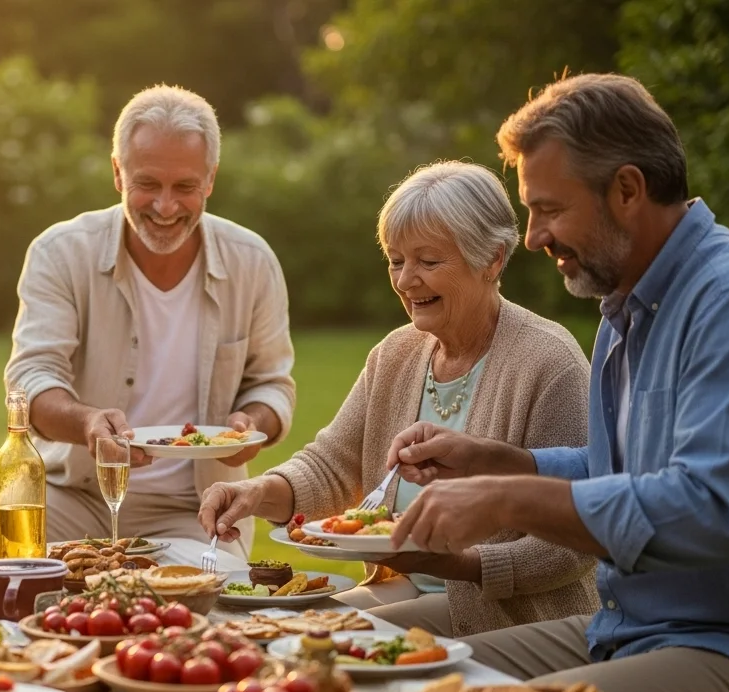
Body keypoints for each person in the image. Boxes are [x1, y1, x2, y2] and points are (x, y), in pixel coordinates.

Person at [386, 74, 729, 692]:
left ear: (627, 190)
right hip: (629, 626)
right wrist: (504, 462)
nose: (530, 238)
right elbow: (626, 474)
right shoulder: (626, 306)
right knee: (399, 684)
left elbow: (707, 510)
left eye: (548, 209)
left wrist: (506, 498)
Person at [197, 161, 597, 636]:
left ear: (492, 259)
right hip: (404, 588)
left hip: (508, 616)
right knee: (257, 628)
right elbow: (332, 464)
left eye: (428, 262)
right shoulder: (396, 352)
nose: (406, 280)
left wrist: (456, 563)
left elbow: (572, 544)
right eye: (396, 260)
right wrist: (255, 492)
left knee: (308, 640)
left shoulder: (550, 361)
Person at [0, 85, 296, 560]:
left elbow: (273, 384)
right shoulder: (60, 251)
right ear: (117, 173)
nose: (166, 206)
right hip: (71, 492)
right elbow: (31, 378)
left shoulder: (252, 261)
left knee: (212, 596)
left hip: (193, 507)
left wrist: (249, 425)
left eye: (185, 187)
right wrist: (88, 423)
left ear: (211, 179)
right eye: (148, 184)